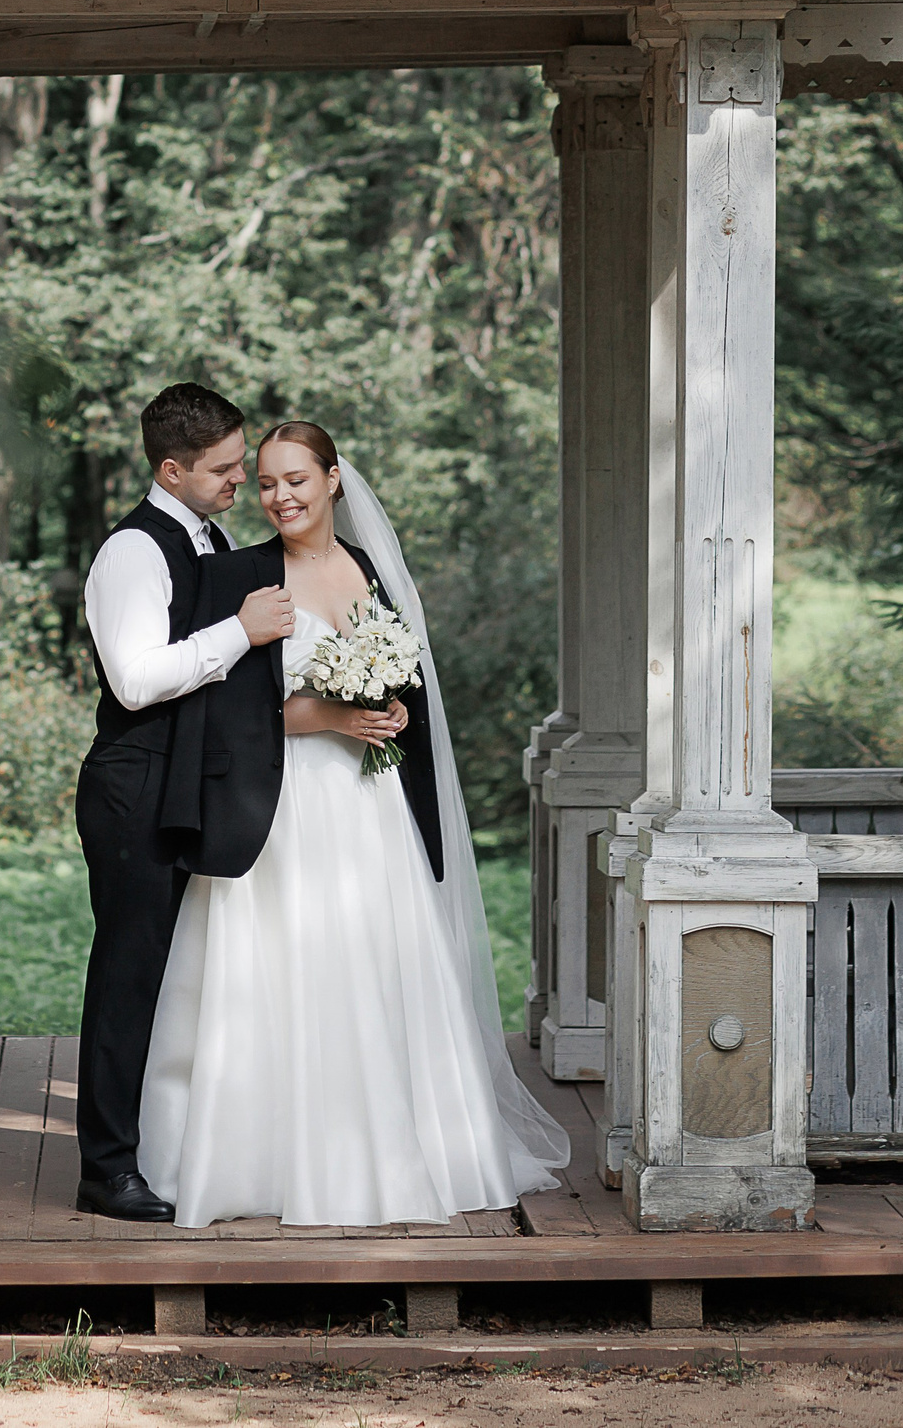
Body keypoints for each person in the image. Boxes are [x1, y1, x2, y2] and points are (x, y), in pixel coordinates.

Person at [138, 420, 572, 1227]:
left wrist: (390, 708)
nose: (280, 496)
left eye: (296, 479)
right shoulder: (239, 574)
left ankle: (404, 1149)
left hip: (369, 808)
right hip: (280, 808)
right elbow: (226, 715)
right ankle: (266, 1163)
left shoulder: (368, 570)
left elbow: (400, 685)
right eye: (266, 483)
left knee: (377, 964)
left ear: (333, 479)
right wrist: (334, 715)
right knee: (280, 971)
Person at [71, 384, 296, 1223]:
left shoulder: (213, 535)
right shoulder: (133, 551)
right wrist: (242, 629)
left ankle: (165, 1144)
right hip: (134, 786)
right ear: (172, 469)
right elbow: (135, 680)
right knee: (127, 977)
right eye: (224, 468)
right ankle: (106, 1169)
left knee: (182, 976)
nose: (242, 480)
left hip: (188, 782)